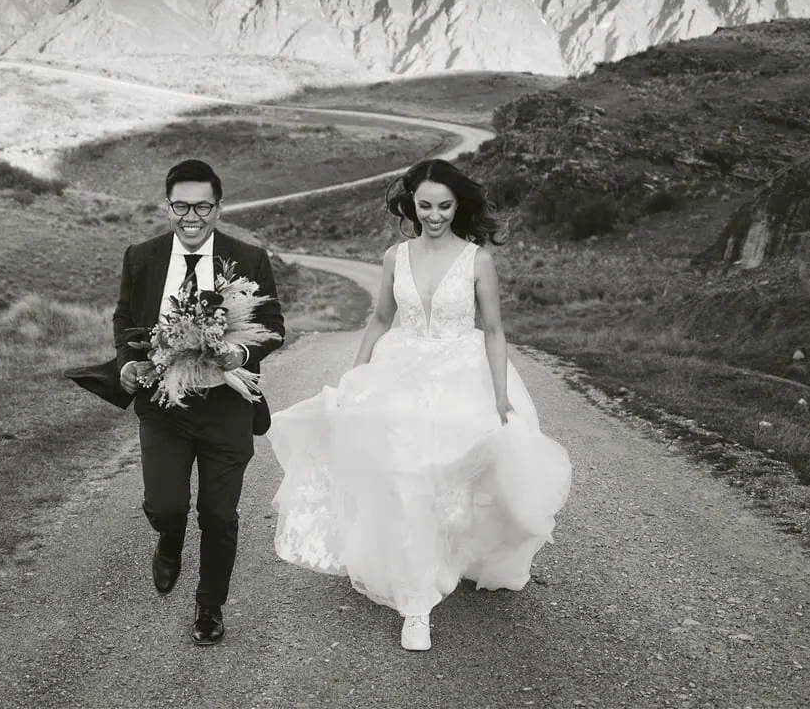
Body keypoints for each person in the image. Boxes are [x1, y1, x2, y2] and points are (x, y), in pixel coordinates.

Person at [267, 158, 572, 652]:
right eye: (425, 206)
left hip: (461, 375)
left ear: (458, 206)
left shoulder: (478, 261)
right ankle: (416, 601)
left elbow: (494, 330)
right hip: (401, 374)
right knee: (406, 479)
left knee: (461, 478)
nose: (434, 216)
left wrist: (500, 395)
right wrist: (354, 378)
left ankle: (459, 552)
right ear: (412, 205)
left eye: (444, 207)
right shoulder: (395, 257)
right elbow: (380, 319)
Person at [112, 159, 285, 645]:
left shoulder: (247, 258)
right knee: (166, 505)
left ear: (218, 207)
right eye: (182, 206)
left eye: (202, 206)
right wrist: (127, 361)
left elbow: (274, 326)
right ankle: (170, 537)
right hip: (163, 406)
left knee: (218, 514)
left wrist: (241, 353)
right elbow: (124, 316)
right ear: (168, 206)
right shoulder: (141, 257)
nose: (192, 217)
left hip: (227, 408)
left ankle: (210, 605)